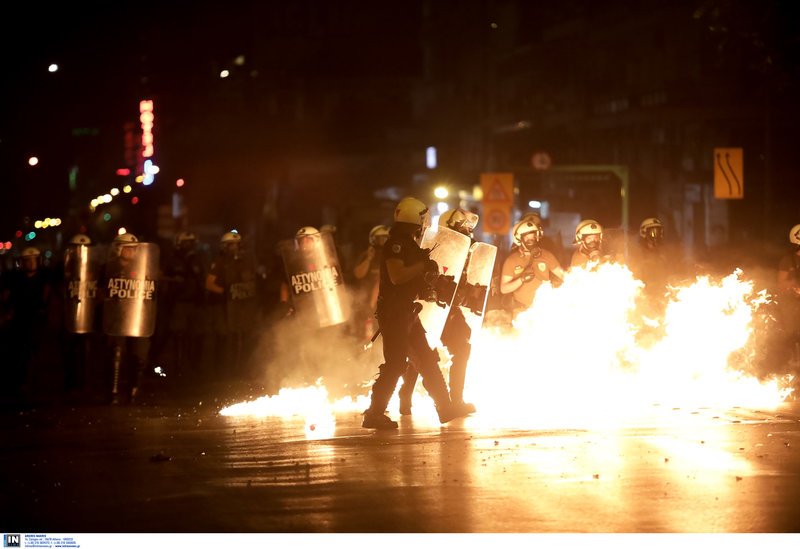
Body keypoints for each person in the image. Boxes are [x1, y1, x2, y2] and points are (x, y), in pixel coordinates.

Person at [362, 197, 473, 429]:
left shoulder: (410, 245)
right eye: (423, 217)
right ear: (415, 218)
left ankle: (445, 407)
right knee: (396, 363)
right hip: (394, 312)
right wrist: (423, 266)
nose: (425, 222)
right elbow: (397, 276)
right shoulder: (396, 244)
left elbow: (414, 282)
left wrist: (432, 282)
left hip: (407, 311)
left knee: (427, 358)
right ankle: (374, 413)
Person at [398, 208, 479, 415]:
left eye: (468, 229)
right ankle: (406, 393)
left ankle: (457, 400)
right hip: (431, 308)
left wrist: (470, 293)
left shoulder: (468, 251)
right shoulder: (436, 248)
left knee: (462, 348)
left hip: (451, 309)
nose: (467, 232)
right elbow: (427, 279)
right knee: (425, 352)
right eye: (463, 228)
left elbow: (464, 281)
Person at [101, 233, 155, 404]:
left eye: (133, 249)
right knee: (116, 353)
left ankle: (133, 389)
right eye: (127, 248)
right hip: (115, 318)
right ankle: (113, 390)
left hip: (137, 318)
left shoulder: (142, 267)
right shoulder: (108, 268)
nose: (131, 252)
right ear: (118, 249)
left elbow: (151, 291)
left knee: (139, 355)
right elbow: (99, 291)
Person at [1, 246, 56, 399]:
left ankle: (34, 383)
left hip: (37, 321)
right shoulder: (16, 279)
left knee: (35, 353)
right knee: (18, 352)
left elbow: (47, 300)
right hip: (19, 321)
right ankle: (19, 382)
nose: (31, 263)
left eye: (34, 260)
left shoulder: (44, 279)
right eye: (28, 260)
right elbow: (8, 298)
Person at [205, 230, 259, 379]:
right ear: (224, 247)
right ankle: (222, 371)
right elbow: (209, 284)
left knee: (243, 336)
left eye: (236, 245)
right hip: (223, 306)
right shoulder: (220, 262)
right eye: (231, 245)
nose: (234, 248)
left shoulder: (245, 261)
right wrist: (225, 292)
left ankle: (241, 369)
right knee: (225, 337)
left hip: (241, 306)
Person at [161, 231, 205, 379]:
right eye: (186, 242)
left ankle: (194, 366)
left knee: (196, 335)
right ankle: (178, 367)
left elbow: (203, 278)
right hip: (179, 302)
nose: (189, 245)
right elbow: (161, 276)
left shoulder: (197, 259)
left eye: (191, 243)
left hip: (195, 303)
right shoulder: (172, 260)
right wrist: (173, 280)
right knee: (178, 334)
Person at [500, 218, 565, 318]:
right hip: (521, 311)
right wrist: (521, 279)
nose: (531, 239)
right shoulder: (511, 260)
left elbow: (564, 277)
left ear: (537, 236)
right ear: (519, 239)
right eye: (527, 237)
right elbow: (504, 289)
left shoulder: (547, 255)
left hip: (544, 309)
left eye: (533, 236)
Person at [352, 225, 389, 343]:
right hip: (363, 301)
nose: (383, 241)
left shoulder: (389, 257)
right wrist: (368, 258)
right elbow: (358, 274)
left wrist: (373, 305)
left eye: (385, 238)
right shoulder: (366, 255)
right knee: (361, 334)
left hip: (380, 303)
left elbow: (380, 281)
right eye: (380, 238)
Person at [776, 224, 800, 369]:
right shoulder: (788, 260)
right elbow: (781, 283)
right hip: (792, 306)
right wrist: (794, 286)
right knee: (791, 336)